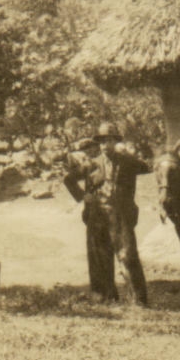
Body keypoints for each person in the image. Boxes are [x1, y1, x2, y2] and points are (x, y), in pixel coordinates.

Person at [90, 123, 151, 306]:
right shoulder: (93, 164)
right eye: (102, 142)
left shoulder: (127, 161)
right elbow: (80, 183)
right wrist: (83, 197)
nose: (105, 145)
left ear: (115, 142)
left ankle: (139, 300)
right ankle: (108, 297)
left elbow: (147, 167)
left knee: (129, 255)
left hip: (122, 216)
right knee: (103, 256)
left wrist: (133, 153)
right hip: (101, 216)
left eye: (109, 141)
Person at [62, 135, 117, 301]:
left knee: (111, 252)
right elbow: (68, 179)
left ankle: (111, 292)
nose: (90, 152)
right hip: (95, 214)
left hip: (114, 213)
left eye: (92, 148)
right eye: (87, 150)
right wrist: (82, 196)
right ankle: (99, 292)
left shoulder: (116, 162)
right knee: (96, 253)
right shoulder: (89, 165)